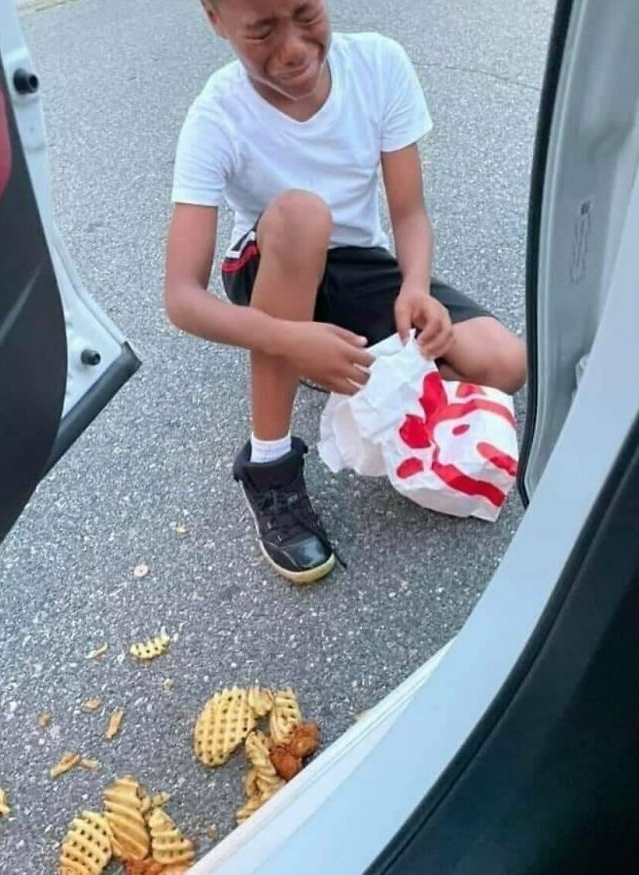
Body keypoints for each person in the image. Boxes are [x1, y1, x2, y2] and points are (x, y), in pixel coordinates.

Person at [164, 0, 527, 585]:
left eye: (306, 15)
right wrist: (289, 337)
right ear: (215, 20)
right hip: (268, 262)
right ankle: (269, 465)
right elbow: (181, 297)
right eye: (261, 32)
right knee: (305, 216)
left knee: (504, 363)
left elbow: (408, 213)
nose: (294, 50)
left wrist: (415, 288)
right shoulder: (217, 116)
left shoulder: (379, 65)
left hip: (358, 265)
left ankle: (344, 362)